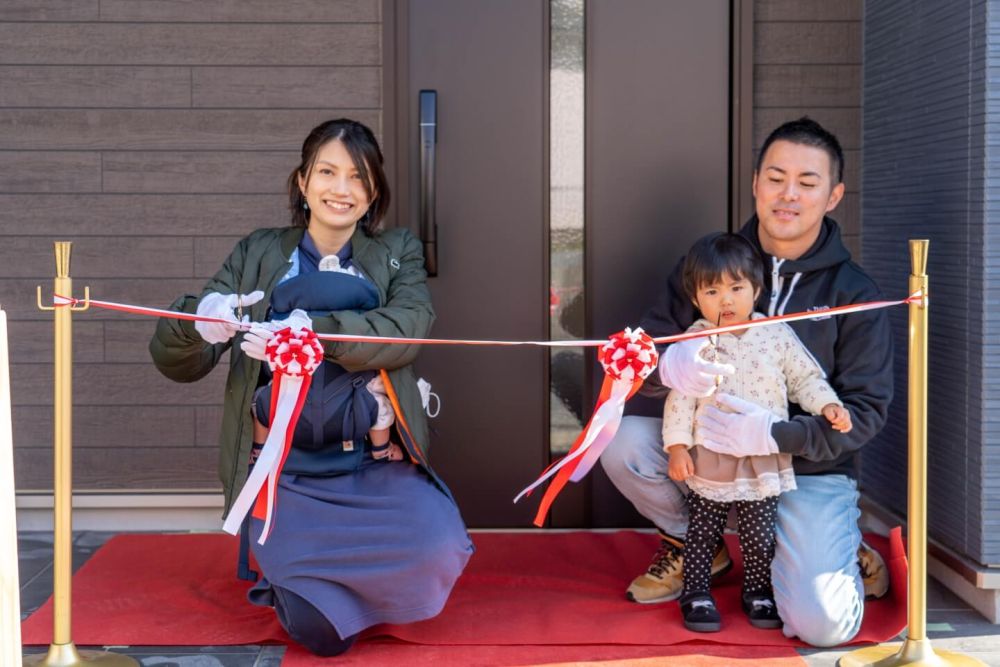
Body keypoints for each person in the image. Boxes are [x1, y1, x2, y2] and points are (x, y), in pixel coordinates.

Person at [149, 118, 473, 657]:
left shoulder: (397, 251)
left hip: (374, 464)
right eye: (327, 171)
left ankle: (362, 588)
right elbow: (178, 361)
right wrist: (199, 323)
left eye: (357, 177)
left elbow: (408, 329)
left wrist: (312, 329)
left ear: (373, 194)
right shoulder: (258, 252)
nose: (340, 189)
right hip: (286, 472)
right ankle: (292, 582)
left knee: (441, 546)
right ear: (302, 182)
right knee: (319, 635)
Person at [600, 117, 893, 646]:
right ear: (755, 182)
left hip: (807, 471)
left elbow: (865, 412)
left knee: (821, 625)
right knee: (622, 444)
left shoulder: (856, 292)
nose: (788, 195)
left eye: (807, 183)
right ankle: (700, 547)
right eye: (776, 178)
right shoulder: (708, 264)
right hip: (709, 454)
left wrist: (776, 435)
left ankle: (839, 546)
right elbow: (643, 352)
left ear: (833, 196)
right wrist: (669, 366)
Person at [662, 232, 852, 633]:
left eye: (736, 288)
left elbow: (805, 378)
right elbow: (681, 397)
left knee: (759, 533)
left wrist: (827, 405)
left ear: (756, 289)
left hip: (763, 453)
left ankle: (757, 590)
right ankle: (695, 592)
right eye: (712, 291)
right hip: (710, 453)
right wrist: (678, 447)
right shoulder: (696, 340)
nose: (726, 300)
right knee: (703, 529)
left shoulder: (776, 332)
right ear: (697, 300)